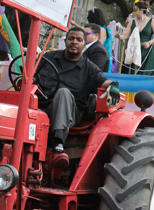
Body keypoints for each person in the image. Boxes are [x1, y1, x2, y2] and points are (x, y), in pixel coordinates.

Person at [38, 28, 119, 166]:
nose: (74, 42)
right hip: (43, 109)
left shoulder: (89, 67)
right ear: (65, 41)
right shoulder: (48, 58)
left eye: (79, 40)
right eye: (71, 39)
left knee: (63, 93)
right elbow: (32, 75)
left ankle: (57, 145)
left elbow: (101, 80)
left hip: (71, 115)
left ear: (84, 43)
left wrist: (113, 85)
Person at [119, 1, 154, 76]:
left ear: (141, 10)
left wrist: (149, 42)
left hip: (147, 52)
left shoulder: (152, 21)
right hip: (134, 50)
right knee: (132, 73)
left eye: (135, 9)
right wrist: (119, 36)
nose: (133, 11)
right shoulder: (132, 22)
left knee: (147, 74)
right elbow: (125, 35)